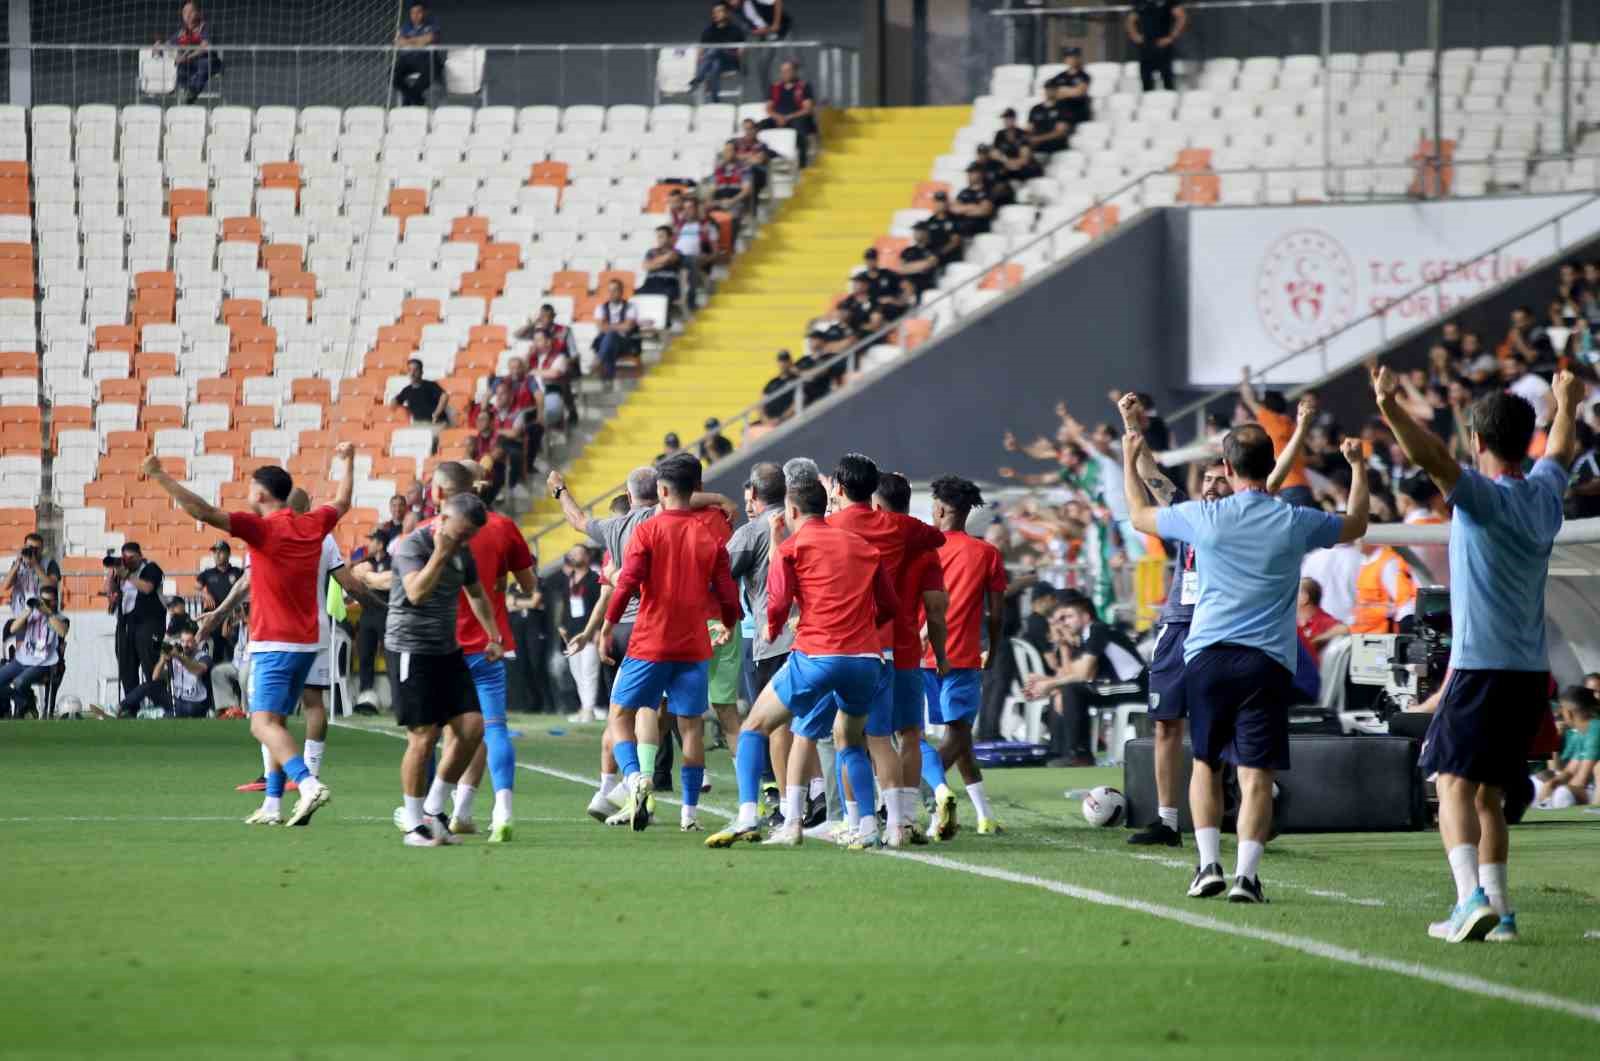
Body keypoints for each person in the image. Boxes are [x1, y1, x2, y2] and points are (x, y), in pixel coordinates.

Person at [1372, 363, 1583, 943]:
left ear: (1478, 442)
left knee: (1450, 782)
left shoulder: (1481, 497)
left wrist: (1391, 408)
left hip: (1480, 667)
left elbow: (1430, 458)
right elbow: (1561, 451)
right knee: (1489, 793)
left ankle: (1469, 899)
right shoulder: (1543, 497)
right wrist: (1567, 404)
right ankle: (1502, 912)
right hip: (1526, 672)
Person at [1125, 415, 1368, 904]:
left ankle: (1207, 865)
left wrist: (1130, 461)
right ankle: (1246, 877)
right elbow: (1357, 523)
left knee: (1207, 765)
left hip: (1208, 655)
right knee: (1256, 775)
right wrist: (1358, 469)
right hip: (1267, 661)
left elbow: (1138, 516)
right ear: (1270, 465)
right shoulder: (1293, 518)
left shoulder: (1205, 516)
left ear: (1229, 468)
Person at [158, 446, 357, 828]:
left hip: (273, 644)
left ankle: (308, 783)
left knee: (260, 724)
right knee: (277, 722)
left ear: (263, 494)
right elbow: (343, 501)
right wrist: (346, 461)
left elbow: (202, 512)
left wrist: (161, 477)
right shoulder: (312, 524)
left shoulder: (262, 528)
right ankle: (272, 805)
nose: (247, 493)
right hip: (306, 644)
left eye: (250, 487)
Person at [705, 458, 897, 849]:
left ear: (791, 511)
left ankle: (749, 816)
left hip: (817, 654)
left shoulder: (794, 546)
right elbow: (890, 607)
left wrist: (772, 630)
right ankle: (868, 827)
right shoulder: (863, 547)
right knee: (849, 737)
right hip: (865, 662)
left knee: (755, 726)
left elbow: (777, 602)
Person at [592, 453, 741, 833]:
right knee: (690, 727)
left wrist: (608, 626)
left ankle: (635, 778)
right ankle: (689, 816)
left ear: (661, 490)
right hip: (693, 646)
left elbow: (626, 584)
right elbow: (727, 594)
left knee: (621, 714)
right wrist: (725, 623)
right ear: (697, 491)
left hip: (650, 642)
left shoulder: (648, 531)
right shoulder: (710, 536)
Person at [824, 453, 945, 847]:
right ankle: (903, 822)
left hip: (852, 643)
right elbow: (937, 538)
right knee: (906, 735)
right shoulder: (906, 534)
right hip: (904, 646)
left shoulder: (830, 527)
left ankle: (855, 820)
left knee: (849, 737)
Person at [383, 493, 504, 847]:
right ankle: (413, 824)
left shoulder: (462, 551)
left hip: (447, 650)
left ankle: (435, 811)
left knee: (472, 727)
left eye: (470, 536)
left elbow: (477, 593)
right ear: (442, 517)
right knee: (424, 737)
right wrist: (440, 552)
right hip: (411, 650)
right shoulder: (413, 546)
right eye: (462, 532)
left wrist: (493, 634)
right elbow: (417, 592)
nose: (465, 540)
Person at [428, 463, 536, 842]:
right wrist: (500, 579)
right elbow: (528, 583)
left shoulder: (434, 529)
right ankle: (496, 810)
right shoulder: (503, 527)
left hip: (443, 644)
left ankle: (434, 809)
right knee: (492, 728)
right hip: (490, 644)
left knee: (447, 733)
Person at [917, 475, 1005, 838]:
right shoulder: (987, 553)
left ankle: (983, 815)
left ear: (938, 508)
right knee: (958, 733)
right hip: (963, 656)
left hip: (919, 654)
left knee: (953, 736)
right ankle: (929, 795)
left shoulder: (923, 550)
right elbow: (996, 613)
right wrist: (995, 649)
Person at [1024, 595, 1147, 766]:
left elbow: (1083, 675)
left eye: (1067, 617)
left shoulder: (1097, 630)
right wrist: (1062, 647)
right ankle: (1058, 751)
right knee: (1062, 690)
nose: (1062, 623)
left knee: (1070, 690)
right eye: (1059, 619)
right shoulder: (1083, 636)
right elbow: (1072, 674)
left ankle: (1079, 754)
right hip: (1114, 685)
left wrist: (1049, 683)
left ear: (1085, 617)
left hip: (1136, 686)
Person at [1238, 371, 1316, 508]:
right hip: (1303, 485)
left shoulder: (1269, 419)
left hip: (1287, 486)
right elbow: (1303, 456)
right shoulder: (1292, 425)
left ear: (1267, 406)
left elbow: (1248, 398)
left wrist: (1245, 377)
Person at [105, 620, 210, 719]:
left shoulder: (203, 656)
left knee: (189, 710)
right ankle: (118, 708)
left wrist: (178, 656)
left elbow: (198, 670)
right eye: (183, 641)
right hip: (177, 700)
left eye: (189, 642)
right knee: (149, 686)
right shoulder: (177, 656)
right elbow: (155, 677)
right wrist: (162, 659)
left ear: (196, 642)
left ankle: (157, 714)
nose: (185, 645)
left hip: (195, 703)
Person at [108, 542, 166, 704]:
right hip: (126, 624)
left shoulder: (150, 568)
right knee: (126, 667)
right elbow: (110, 591)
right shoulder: (122, 573)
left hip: (149, 623)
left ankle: (161, 703)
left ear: (140, 555)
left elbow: (148, 588)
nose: (129, 562)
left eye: (132, 558)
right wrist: (112, 575)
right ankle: (131, 705)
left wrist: (127, 575)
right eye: (126, 558)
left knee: (150, 665)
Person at [0, 586, 68, 717]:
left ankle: (26, 701)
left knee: (19, 682)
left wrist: (47, 613)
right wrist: (29, 609)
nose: (44, 604)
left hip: (43, 663)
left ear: (55, 601)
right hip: (21, 661)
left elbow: (63, 631)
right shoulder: (32, 616)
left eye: (48, 601)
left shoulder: (60, 617)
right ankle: (26, 701)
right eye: (42, 600)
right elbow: (13, 629)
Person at [1533, 686, 1597, 809]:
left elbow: (1582, 779)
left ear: (1567, 712)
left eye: (1561, 709)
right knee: (1538, 785)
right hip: (1583, 788)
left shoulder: (1595, 729)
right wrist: (1552, 784)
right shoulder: (1581, 732)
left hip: (1593, 790)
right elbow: (1569, 771)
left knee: (1563, 794)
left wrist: (1559, 787)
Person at [560, 545, 604, 722]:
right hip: (571, 631)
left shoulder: (594, 578)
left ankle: (589, 709)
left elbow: (600, 606)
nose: (574, 556)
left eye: (578, 553)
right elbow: (565, 603)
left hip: (589, 631)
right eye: (572, 553)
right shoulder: (569, 578)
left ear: (587, 556)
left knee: (589, 671)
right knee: (576, 671)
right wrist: (562, 625)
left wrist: (598, 629)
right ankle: (585, 706)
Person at [352, 528, 393, 710]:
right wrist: (375, 580)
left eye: (372, 541)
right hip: (367, 612)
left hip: (386, 613)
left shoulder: (392, 562)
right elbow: (355, 577)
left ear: (380, 544)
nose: (369, 544)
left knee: (391, 656)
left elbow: (388, 584)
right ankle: (365, 696)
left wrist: (371, 580)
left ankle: (397, 699)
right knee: (365, 654)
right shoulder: (365, 562)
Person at [758, 60, 818, 168]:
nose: (785, 74)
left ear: (795, 72)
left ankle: (802, 164)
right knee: (759, 126)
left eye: (788, 71)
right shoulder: (775, 87)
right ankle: (767, 156)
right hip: (778, 118)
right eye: (783, 71)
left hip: (797, 118)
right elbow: (768, 108)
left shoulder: (803, 86)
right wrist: (778, 117)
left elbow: (807, 109)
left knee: (800, 129)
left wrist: (788, 117)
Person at [158, 2, 216, 105]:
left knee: (204, 65)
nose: (187, 15)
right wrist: (159, 45)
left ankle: (191, 94)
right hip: (189, 63)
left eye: (191, 11)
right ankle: (182, 92)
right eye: (185, 12)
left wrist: (188, 57)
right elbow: (168, 44)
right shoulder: (182, 32)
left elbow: (204, 47)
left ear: (198, 13)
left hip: (208, 60)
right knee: (180, 67)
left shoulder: (205, 27)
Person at [197, 541, 243, 662]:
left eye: (220, 552)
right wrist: (204, 593)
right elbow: (197, 586)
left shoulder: (237, 572)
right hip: (214, 619)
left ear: (228, 554)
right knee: (214, 654)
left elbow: (245, 590)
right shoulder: (207, 573)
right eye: (215, 553)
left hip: (232, 619)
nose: (216, 555)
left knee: (231, 654)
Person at [1126, 0, 1187, 91]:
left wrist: (1171, 37)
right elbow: (1130, 21)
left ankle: (1169, 102)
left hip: (1163, 44)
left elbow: (1182, 17)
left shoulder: (1169, 2)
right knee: (1146, 79)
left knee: (1167, 79)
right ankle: (1147, 102)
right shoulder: (1140, 2)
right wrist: (1135, 35)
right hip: (1146, 45)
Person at [690, 3, 745, 102]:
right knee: (716, 65)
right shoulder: (708, 31)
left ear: (727, 13)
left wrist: (739, 56)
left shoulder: (736, 30)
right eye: (714, 12)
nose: (716, 14)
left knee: (716, 49)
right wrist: (700, 61)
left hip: (731, 61)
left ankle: (698, 78)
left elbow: (741, 50)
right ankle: (715, 100)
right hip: (713, 63)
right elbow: (700, 51)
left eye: (719, 11)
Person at [592, 278, 641, 388]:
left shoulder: (631, 307)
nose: (612, 293)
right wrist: (619, 326)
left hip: (625, 343)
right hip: (608, 343)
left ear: (621, 291)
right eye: (610, 291)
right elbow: (601, 328)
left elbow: (628, 327)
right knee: (609, 343)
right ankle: (608, 385)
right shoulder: (601, 308)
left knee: (610, 337)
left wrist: (609, 326)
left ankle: (599, 361)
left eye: (615, 290)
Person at [738, 0, 792, 99]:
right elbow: (755, 28)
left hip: (782, 31)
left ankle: (793, 96)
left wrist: (776, 24)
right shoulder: (741, 9)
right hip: (766, 36)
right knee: (762, 66)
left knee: (787, 65)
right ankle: (768, 98)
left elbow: (777, 2)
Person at [6, 531, 60, 624]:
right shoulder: (18, 564)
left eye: (36, 549)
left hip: (44, 617)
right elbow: (5, 586)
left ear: (42, 549)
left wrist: (35, 565)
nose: (33, 551)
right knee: (22, 639)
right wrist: (17, 564)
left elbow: (52, 585)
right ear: (24, 546)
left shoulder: (50, 563)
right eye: (30, 548)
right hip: (21, 615)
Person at [392, 3, 440, 107]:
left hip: (426, 59)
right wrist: (419, 41)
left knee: (432, 71)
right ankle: (417, 99)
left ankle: (407, 102)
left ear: (424, 13)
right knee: (392, 75)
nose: (415, 15)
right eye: (412, 13)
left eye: (419, 12)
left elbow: (429, 39)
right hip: (408, 59)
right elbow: (398, 42)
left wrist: (408, 41)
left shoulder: (431, 24)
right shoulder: (406, 26)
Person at [1296, 578, 1348, 666]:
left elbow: (1346, 629)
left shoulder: (1324, 621)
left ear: (1304, 598)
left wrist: (1317, 641)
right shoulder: (1291, 622)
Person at [1045, 46, 1093, 126]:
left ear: (1078, 58)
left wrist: (1061, 91)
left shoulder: (1083, 75)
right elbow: (1049, 92)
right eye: (1069, 57)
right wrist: (1070, 91)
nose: (1071, 59)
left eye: (1074, 57)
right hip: (1061, 109)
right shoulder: (1060, 76)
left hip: (1077, 109)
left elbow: (1079, 92)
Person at [393, 358, 448, 426]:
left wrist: (436, 413)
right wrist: (394, 402)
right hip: (418, 423)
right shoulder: (406, 390)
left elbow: (444, 396)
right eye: (410, 370)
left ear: (421, 372)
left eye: (415, 370)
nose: (412, 373)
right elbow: (396, 400)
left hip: (436, 422)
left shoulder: (430, 385)